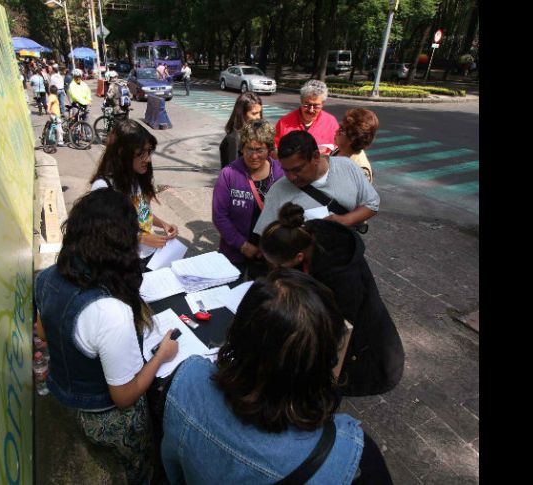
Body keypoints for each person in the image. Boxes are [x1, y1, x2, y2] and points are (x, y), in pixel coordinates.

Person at [161, 268, 394, 484]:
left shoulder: (187, 380)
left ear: (237, 333)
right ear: (326, 359)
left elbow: (172, 469)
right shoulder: (353, 461)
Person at [34, 188, 180, 485]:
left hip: (63, 395)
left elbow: (43, 332)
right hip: (102, 416)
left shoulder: (47, 277)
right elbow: (124, 396)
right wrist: (162, 355)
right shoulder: (110, 311)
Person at [259, 203, 405, 397]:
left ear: (298, 257)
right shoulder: (306, 236)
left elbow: (339, 332)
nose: (275, 269)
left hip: (367, 355)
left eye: (278, 265)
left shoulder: (341, 278)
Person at [89, 119, 179, 270]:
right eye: (141, 154)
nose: (148, 159)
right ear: (122, 153)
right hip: (126, 262)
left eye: (149, 151)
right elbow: (103, 232)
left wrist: (163, 224)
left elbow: (142, 211)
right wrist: (141, 237)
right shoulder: (104, 186)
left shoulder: (138, 177)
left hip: (151, 256)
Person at [253, 130, 379, 235]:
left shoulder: (347, 167)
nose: (291, 177)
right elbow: (266, 236)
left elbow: (372, 203)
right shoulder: (278, 190)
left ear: (316, 157)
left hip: (347, 258)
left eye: (297, 169)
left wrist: (346, 220)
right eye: (286, 170)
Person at [212, 120, 284, 278]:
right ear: (242, 148)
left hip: (270, 258)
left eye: (260, 149)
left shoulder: (281, 174)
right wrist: (243, 245)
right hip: (233, 253)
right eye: (249, 149)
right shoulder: (228, 174)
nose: (254, 156)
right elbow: (219, 216)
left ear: (269, 149)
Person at [274, 79, 339, 154]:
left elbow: (338, 149)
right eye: (307, 105)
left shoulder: (331, 122)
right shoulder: (284, 122)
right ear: (301, 101)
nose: (311, 110)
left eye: (316, 106)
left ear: (322, 104)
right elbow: (275, 149)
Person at [331, 108, 379, 184]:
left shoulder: (360, 169)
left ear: (352, 138)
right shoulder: (339, 151)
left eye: (341, 130)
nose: (336, 131)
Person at [219, 92, 263, 168]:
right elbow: (233, 171)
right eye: (254, 113)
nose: (258, 117)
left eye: (260, 112)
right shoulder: (234, 139)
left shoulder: (254, 131)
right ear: (242, 114)